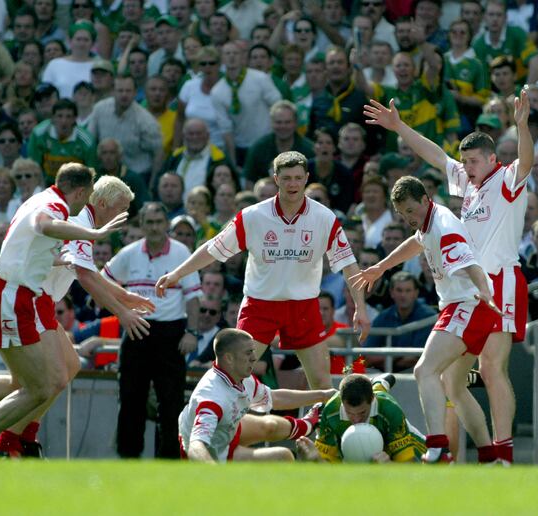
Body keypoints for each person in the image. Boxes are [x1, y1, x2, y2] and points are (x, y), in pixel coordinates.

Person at [364, 89, 533, 464]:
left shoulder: (506, 180)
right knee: (453, 381)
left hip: (498, 280)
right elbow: (435, 155)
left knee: (491, 367)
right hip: (469, 289)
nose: (467, 167)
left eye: (473, 160)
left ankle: (503, 452)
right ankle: (489, 453)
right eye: (465, 161)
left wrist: (521, 126)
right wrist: (399, 126)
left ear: (492, 158)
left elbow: (527, 161)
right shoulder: (469, 186)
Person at [156, 151, 371, 390]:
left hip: (303, 306)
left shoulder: (324, 217)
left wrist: (360, 307)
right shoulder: (253, 216)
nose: (293, 184)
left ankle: (323, 428)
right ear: (276, 179)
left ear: (307, 178)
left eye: (298, 178)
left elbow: (349, 266)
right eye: (287, 178)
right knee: (231, 378)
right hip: (260, 305)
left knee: (322, 384)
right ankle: (218, 425)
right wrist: (177, 274)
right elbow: (213, 249)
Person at [0, 163, 126, 456]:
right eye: (121, 210)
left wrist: (125, 298)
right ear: (86, 193)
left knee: (50, 377)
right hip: (22, 297)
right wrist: (124, 309)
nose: (122, 217)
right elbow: (58, 241)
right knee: (40, 385)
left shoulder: (56, 204)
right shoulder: (65, 212)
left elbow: (74, 263)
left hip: (27, 296)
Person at [351, 176, 501, 464]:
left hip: (469, 305)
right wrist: (381, 267)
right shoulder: (429, 221)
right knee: (454, 386)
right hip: (469, 307)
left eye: (411, 210)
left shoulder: (444, 226)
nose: (408, 217)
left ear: (425, 199)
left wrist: (484, 291)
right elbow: (416, 242)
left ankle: (438, 448)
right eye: (402, 213)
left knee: (424, 371)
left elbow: (470, 265)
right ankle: (489, 455)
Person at [102, 202, 202, 458]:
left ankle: (168, 460)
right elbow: (102, 281)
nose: (155, 227)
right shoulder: (130, 252)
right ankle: (128, 458)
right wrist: (121, 310)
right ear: (142, 225)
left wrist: (192, 332)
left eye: (159, 222)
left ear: (166, 224)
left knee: (170, 403)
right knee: (129, 399)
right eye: (150, 223)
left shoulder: (181, 252)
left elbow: (193, 298)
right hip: (136, 329)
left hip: (171, 333)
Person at [178, 328, 335, 463]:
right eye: (248, 353)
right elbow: (195, 445)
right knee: (284, 457)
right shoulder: (212, 399)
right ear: (229, 358)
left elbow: (274, 398)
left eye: (253, 351)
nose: (254, 357)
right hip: (215, 452)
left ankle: (308, 424)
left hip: (226, 429)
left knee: (270, 426)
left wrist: (323, 395)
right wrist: (214, 473)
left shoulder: (240, 376)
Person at [306, 373, 426, 463]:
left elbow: (407, 464)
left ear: (372, 401)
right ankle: (379, 383)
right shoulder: (331, 411)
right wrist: (315, 459)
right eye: (349, 413)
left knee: (434, 462)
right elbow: (328, 465)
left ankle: (379, 385)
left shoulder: (390, 409)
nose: (356, 420)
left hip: (392, 433)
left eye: (362, 413)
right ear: (341, 403)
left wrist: (389, 465)